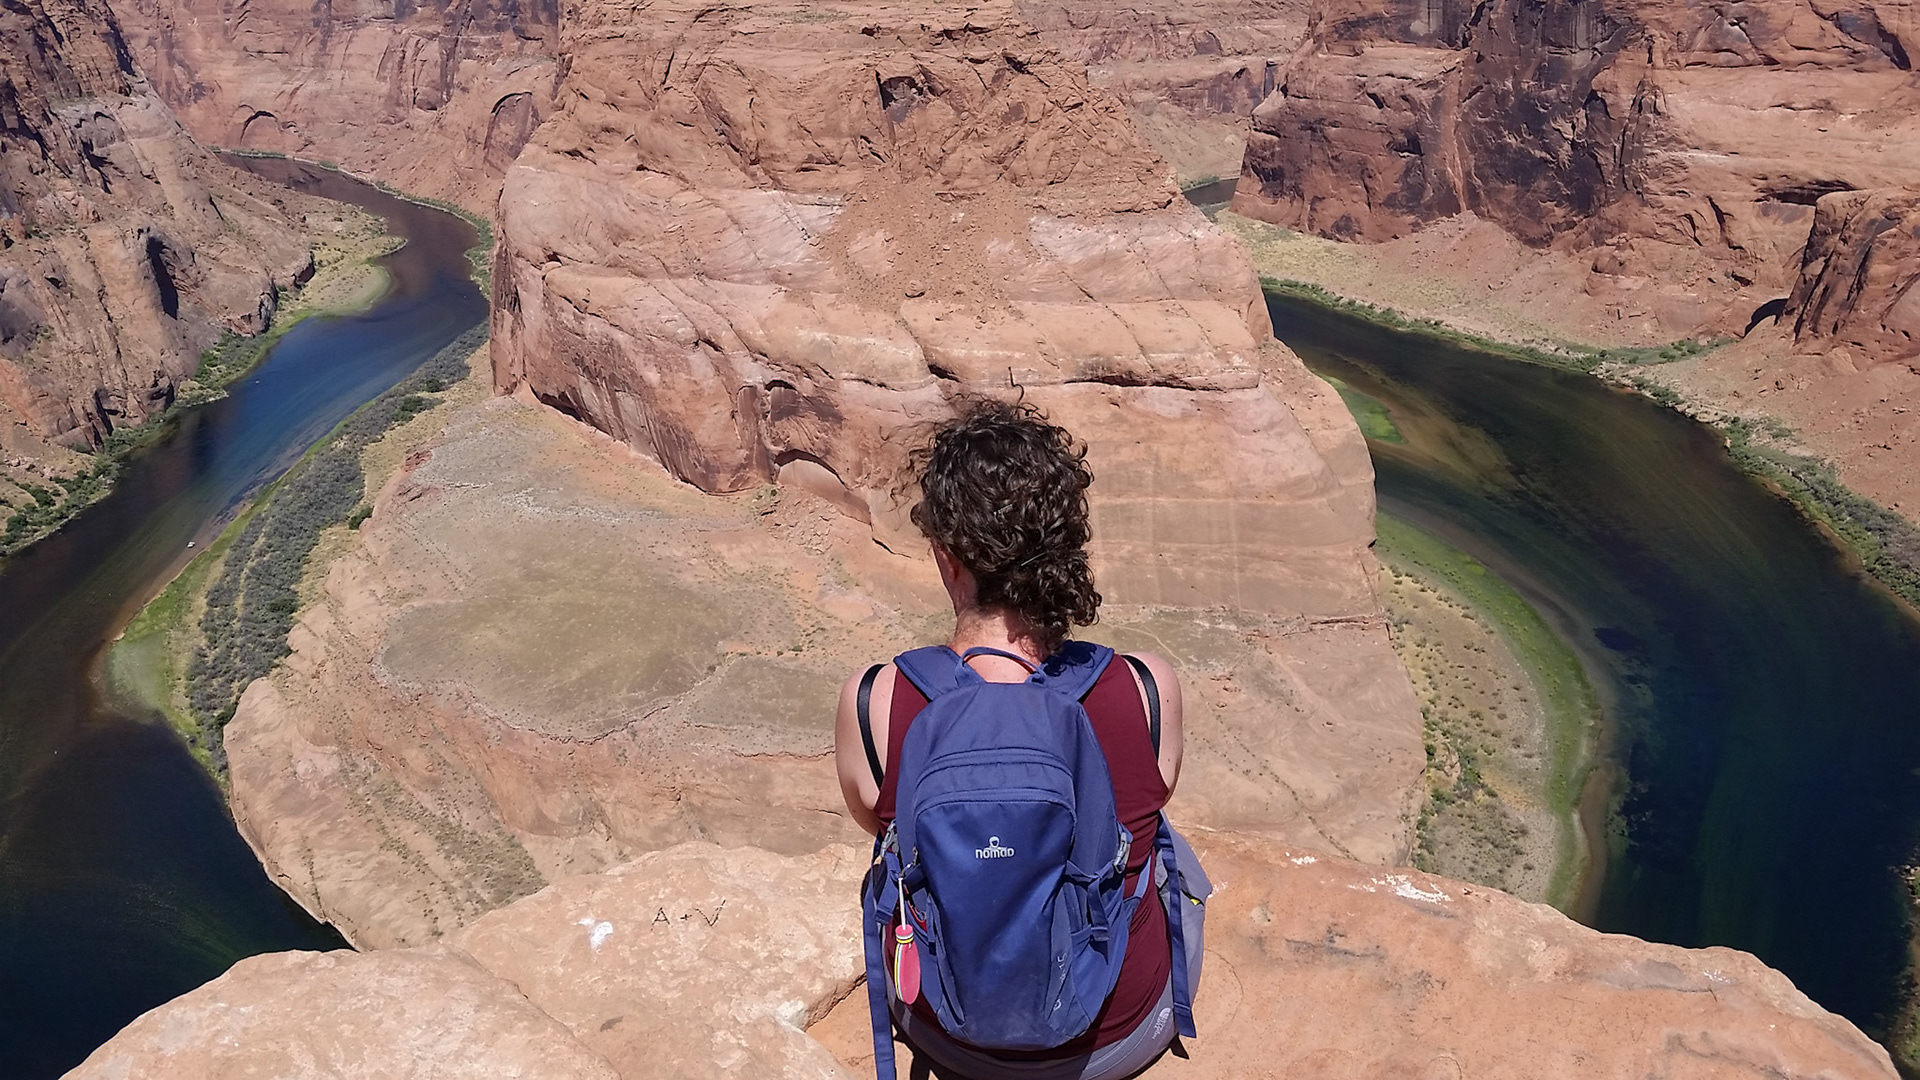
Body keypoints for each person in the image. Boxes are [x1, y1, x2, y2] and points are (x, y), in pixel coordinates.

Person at [834, 399, 1210, 1080]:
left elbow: (877, 823)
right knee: (1165, 848)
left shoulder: (875, 700)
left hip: (947, 1034)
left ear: (948, 558)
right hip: (1119, 1038)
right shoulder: (1146, 687)